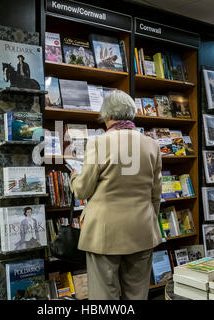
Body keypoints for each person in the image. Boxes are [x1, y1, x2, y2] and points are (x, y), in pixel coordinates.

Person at [70, 90, 163, 300]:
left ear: (107, 115)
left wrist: (74, 177)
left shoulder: (98, 143)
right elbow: (155, 194)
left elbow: (82, 190)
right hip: (142, 229)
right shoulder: (152, 145)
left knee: (104, 296)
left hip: (104, 234)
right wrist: (150, 219)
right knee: (137, 294)